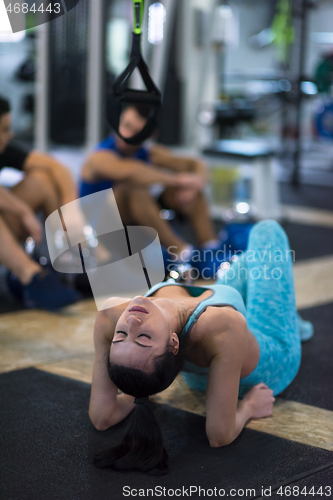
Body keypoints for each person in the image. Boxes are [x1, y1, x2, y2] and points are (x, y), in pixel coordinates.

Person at [89, 220, 307, 475]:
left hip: (214, 367)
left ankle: (292, 318)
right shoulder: (221, 324)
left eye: (121, 335)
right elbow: (219, 435)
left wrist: (138, 391)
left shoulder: (110, 315)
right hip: (272, 356)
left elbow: (101, 418)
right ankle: (291, 325)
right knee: (267, 232)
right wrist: (248, 407)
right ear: (173, 343)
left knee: (251, 261)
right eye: (144, 337)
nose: (132, 321)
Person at [80, 104, 222, 265]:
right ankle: (181, 252)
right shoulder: (99, 157)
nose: (126, 135)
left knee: (187, 189)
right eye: (126, 126)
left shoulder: (149, 153)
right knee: (131, 188)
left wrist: (194, 185)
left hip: (136, 229)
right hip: (100, 232)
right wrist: (179, 180)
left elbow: (195, 164)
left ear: (150, 135)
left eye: (136, 132)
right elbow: (132, 172)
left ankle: (211, 249)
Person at [0, 95, 81, 310]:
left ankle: (66, 264)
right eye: (4, 130)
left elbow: (56, 167)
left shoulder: (5, 149)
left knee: (42, 180)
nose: (10, 134)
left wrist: (70, 210)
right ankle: (31, 275)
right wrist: (23, 210)